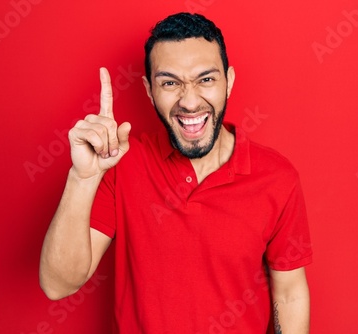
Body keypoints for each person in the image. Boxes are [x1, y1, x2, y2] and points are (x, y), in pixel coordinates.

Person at [39, 12, 312, 334]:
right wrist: (82, 178)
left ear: (229, 81)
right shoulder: (120, 162)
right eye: (170, 83)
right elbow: (59, 285)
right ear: (149, 90)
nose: (190, 101)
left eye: (206, 79)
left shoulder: (277, 177)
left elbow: (290, 292)